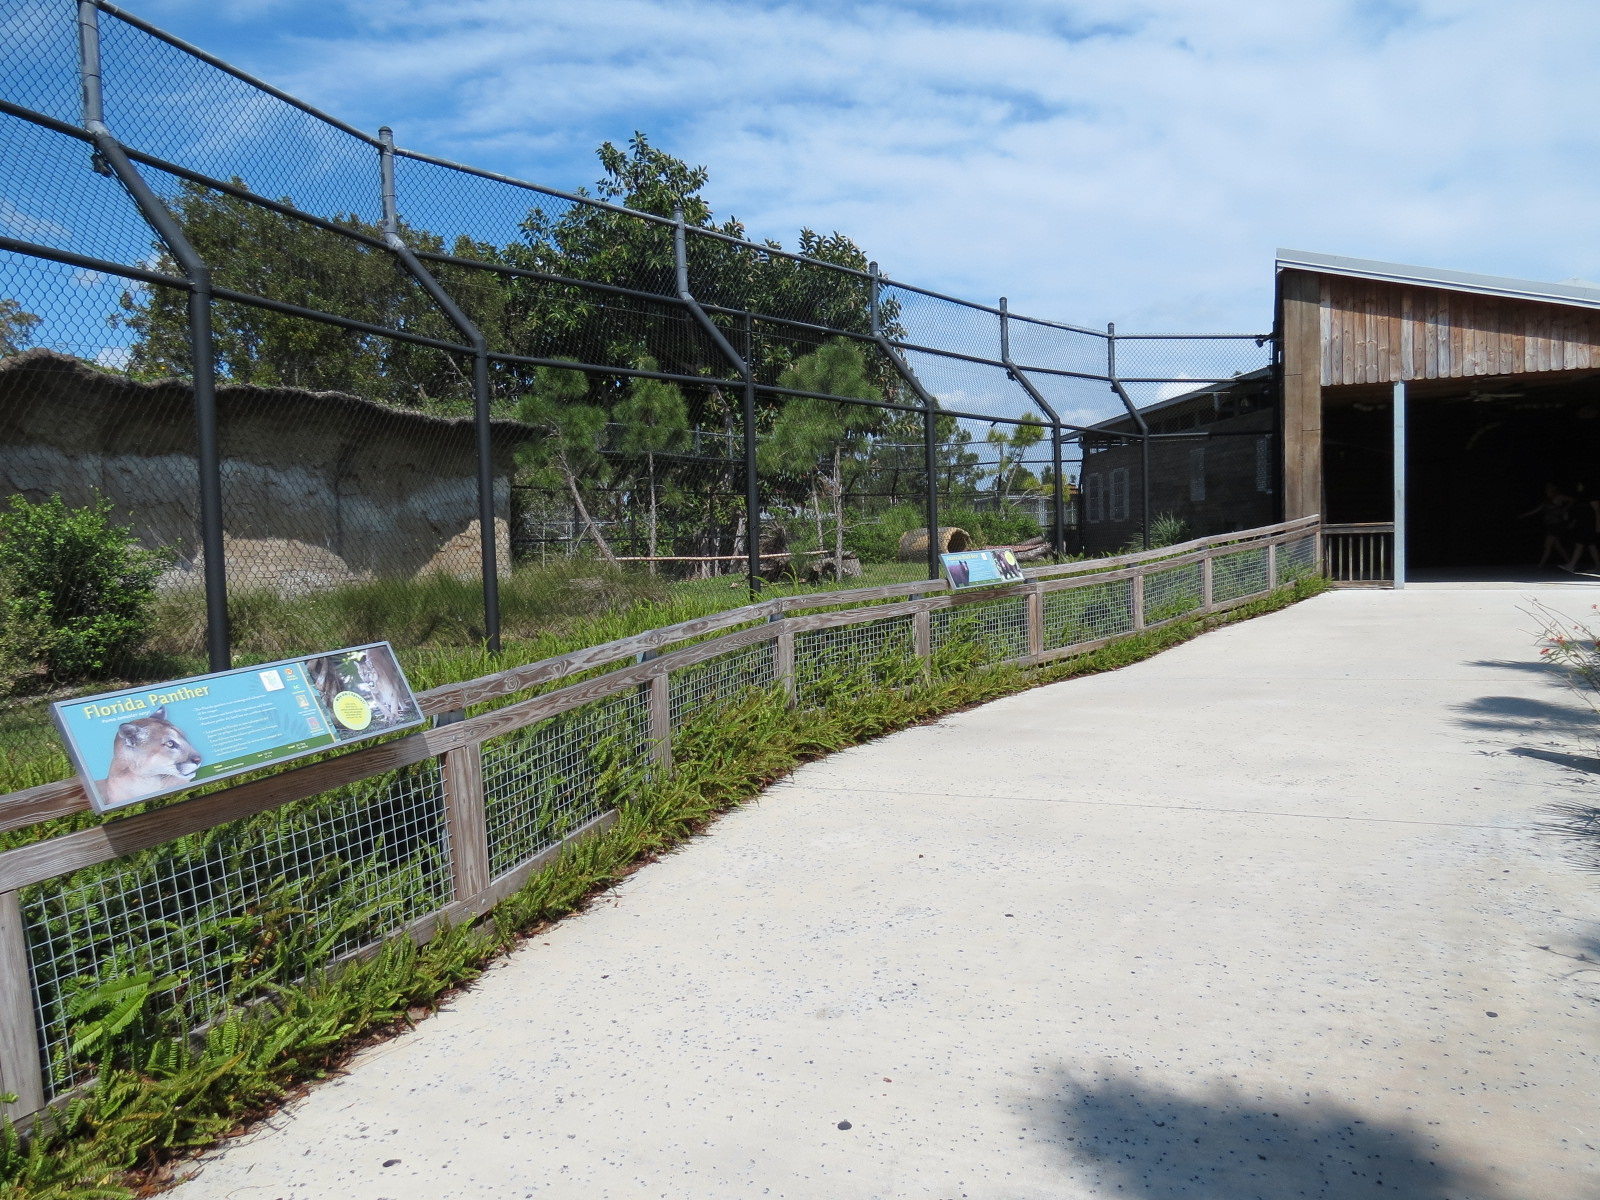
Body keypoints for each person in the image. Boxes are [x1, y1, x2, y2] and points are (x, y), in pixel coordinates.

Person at [1520, 482, 1573, 568]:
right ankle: (1570, 562)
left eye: (1548, 489)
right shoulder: (1547, 500)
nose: (1546, 491)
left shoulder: (1558, 497)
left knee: (1547, 546)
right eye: (1546, 489)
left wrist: (1564, 509)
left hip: (1556, 524)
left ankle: (1540, 565)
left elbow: (1572, 500)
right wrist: (1525, 515)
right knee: (1557, 546)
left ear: (1553, 489)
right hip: (1550, 525)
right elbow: (1537, 509)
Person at [1564, 482, 1600, 573]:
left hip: (1589, 525)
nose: (1578, 486)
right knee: (1591, 546)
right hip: (1582, 524)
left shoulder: (1591, 496)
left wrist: (1598, 524)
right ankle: (1598, 566)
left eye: (1580, 485)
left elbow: (1597, 510)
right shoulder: (1580, 497)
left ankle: (1571, 565)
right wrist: (1574, 522)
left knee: (1580, 545)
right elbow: (1580, 513)